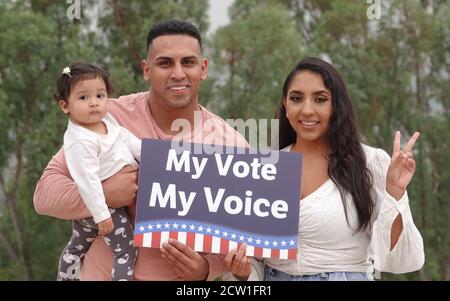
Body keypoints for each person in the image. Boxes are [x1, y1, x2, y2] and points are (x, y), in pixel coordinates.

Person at [34, 19, 247, 280]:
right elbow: (44, 195)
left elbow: (241, 244)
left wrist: (206, 269)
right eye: (165, 63)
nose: (178, 73)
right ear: (146, 69)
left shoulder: (231, 145)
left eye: (188, 62)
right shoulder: (106, 118)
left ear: (203, 69)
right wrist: (104, 195)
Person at [224, 57, 425, 281]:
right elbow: (252, 259)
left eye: (320, 99)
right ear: (285, 104)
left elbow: (395, 259)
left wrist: (394, 192)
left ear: (336, 105)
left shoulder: (368, 162)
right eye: (297, 98)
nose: (307, 110)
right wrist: (241, 274)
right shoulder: (265, 168)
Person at [54, 62, 140, 281]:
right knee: (126, 251)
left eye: (100, 96)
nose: (94, 103)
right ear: (65, 106)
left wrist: (150, 154)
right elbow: (87, 181)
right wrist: (101, 215)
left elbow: (127, 139)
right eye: (83, 98)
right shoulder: (80, 141)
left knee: (77, 246)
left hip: (95, 211)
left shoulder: (106, 121)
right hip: (104, 208)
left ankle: (65, 277)